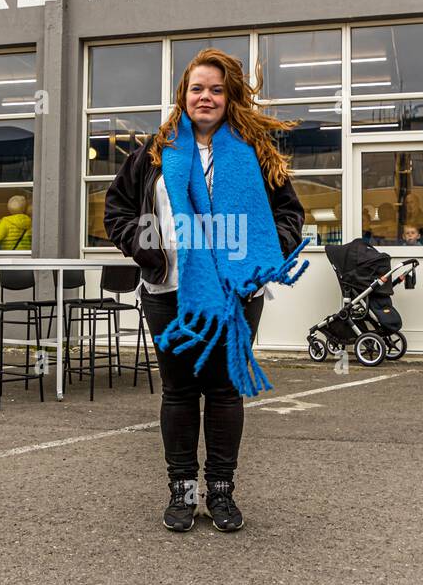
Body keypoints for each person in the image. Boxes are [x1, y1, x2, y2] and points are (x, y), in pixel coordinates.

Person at [104, 48, 306, 533]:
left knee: (222, 391)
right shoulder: (154, 151)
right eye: (197, 88)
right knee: (178, 392)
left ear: (229, 95)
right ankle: (182, 490)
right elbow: (117, 211)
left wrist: (261, 256)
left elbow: (289, 216)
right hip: (169, 289)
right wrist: (145, 249)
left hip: (235, 294)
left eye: (216, 89)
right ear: (183, 95)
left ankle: (220, 490)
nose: (206, 97)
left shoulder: (254, 153)